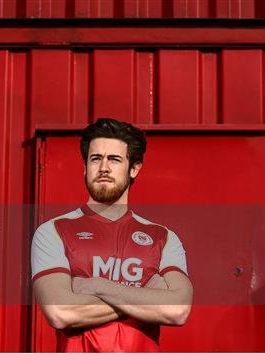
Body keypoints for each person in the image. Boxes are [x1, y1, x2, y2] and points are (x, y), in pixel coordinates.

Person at [31, 118, 193, 352]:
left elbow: (178, 309)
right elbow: (61, 312)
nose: (103, 167)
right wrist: (148, 297)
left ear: (134, 168)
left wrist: (96, 285)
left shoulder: (163, 238)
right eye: (96, 158)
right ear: (85, 166)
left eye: (114, 159)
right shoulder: (53, 231)